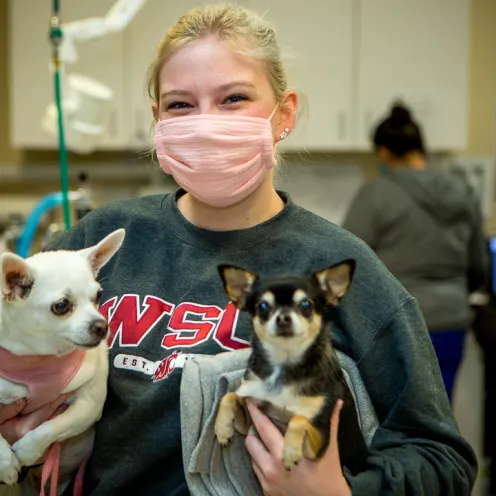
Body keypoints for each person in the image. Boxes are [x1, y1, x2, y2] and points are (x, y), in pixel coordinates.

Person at [47, 5, 477, 495]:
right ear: (157, 119)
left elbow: (442, 458)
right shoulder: (104, 242)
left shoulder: (337, 267)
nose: (207, 123)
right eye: (180, 105)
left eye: (233, 98)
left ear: (284, 113)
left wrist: (342, 492)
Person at [343, 102, 488, 403]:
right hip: (451, 319)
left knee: (396, 414)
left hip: (399, 321)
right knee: (439, 410)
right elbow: (478, 265)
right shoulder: (462, 190)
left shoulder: (377, 194)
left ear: (383, 152)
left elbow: (346, 262)